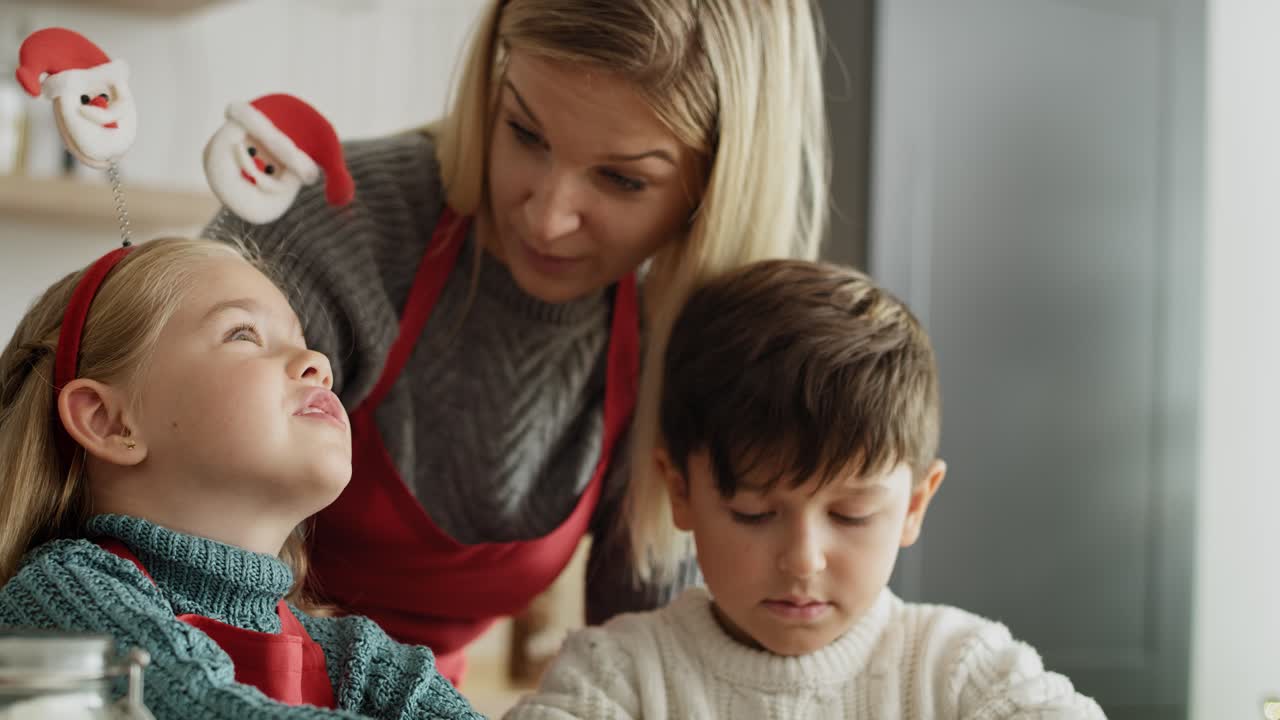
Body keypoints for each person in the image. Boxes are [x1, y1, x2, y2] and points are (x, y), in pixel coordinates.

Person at [202, 0, 830, 683]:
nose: (549, 218)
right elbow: (176, 559)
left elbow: (646, 666)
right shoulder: (329, 227)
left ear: (714, 184)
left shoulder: (678, 337)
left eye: (622, 179)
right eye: (526, 133)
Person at [504, 259, 1106, 719]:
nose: (802, 560)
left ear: (915, 504)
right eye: (753, 512)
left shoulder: (957, 667)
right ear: (680, 491)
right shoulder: (619, 675)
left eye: (851, 514)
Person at [0, 238, 483, 719]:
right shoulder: (61, 598)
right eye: (245, 334)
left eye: (303, 341)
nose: (319, 364)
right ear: (109, 422)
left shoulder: (355, 656)